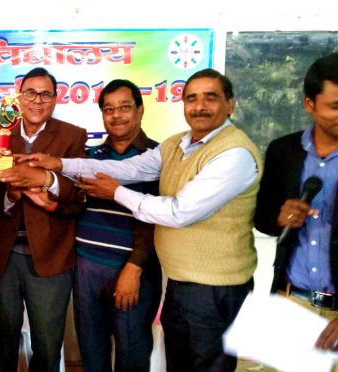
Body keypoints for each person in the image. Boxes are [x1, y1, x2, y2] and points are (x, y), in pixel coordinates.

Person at [17, 68, 263, 371]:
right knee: (168, 360)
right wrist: (57, 165)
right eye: (192, 99)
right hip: (172, 279)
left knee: (167, 359)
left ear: (230, 104)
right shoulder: (176, 146)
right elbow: (130, 170)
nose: (199, 106)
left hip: (213, 286)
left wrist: (116, 194)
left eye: (210, 98)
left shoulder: (233, 153)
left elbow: (176, 212)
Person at [0, 67, 87, 372]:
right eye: (30, 92)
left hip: (50, 259)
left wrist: (46, 181)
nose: (37, 100)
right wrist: (11, 198)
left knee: (47, 345)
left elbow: (79, 195)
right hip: (2, 257)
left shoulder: (72, 136)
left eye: (45, 94)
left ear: (55, 98)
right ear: (19, 96)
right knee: (1, 342)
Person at [72, 79, 161, 372]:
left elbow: (157, 219)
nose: (116, 115)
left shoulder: (159, 157)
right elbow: (74, 205)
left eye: (124, 107)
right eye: (109, 109)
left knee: (131, 357)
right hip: (86, 269)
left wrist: (134, 268)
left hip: (132, 272)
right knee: (92, 356)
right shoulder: (90, 157)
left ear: (140, 110)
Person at [254, 53, 338, 352]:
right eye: (335, 107)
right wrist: (280, 217)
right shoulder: (284, 151)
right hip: (292, 304)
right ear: (309, 104)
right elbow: (262, 218)